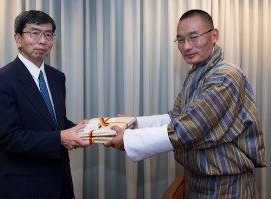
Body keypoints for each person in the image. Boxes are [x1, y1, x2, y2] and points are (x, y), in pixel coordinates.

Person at [104, 9, 267, 198]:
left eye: (193, 37)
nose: (186, 46)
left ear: (214, 35)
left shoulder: (225, 76)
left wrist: (128, 139)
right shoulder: (198, 72)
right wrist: (136, 123)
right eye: (180, 40)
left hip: (225, 186)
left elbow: (189, 129)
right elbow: (178, 118)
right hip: (195, 182)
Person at [0, 10, 90, 199]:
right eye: (34, 33)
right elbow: (8, 138)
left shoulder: (57, 77)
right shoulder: (1, 80)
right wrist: (59, 138)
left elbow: (55, 122)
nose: (42, 41)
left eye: (48, 35)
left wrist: (90, 131)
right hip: (24, 187)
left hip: (60, 182)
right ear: (18, 38)